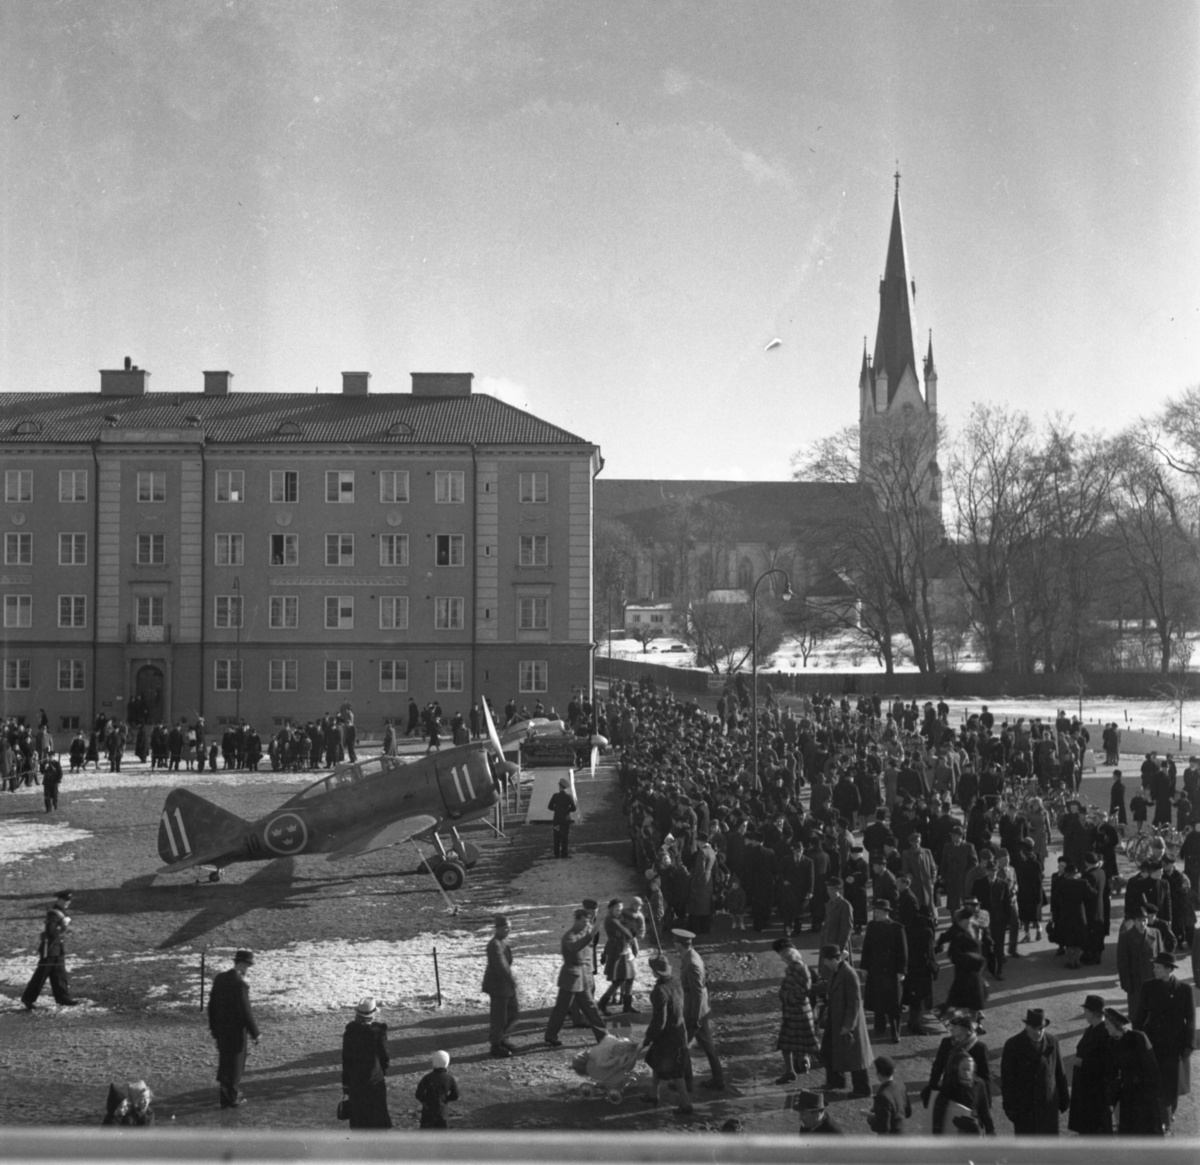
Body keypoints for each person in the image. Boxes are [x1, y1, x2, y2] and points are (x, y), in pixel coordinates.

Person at [1133, 950, 1196, 1132]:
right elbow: (1140, 1015)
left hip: (1174, 1044)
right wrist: (1136, 1037)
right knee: (1155, 1080)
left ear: (1169, 970)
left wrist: (1189, 1044)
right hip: (1152, 1041)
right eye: (1154, 967)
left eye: (1158, 968)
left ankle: (1168, 1114)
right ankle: (1162, 1117)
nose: (1154, 970)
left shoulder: (1184, 990)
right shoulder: (1148, 987)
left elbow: (1191, 1019)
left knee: (1172, 1082)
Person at [999, 1008, 1069, 1135]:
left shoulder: (1052, 1042)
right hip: (1025, 1110)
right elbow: (1007, 1080)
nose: (1038, 1032)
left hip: (1048, 1109)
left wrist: (1064, 1099)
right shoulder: (1012, 1045)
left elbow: (1059, 1073)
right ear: (1026, 1026)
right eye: (1034, 1028)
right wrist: (1009, 1108)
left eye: (1041, 1028)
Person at [544, 909, 606, 1046]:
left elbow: (588, 956)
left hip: (582, 979)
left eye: (588, 922)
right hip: (570, 979)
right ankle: (550, 1035)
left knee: (591, 1009)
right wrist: (591, 934)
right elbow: (575, 947)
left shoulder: (584, 933)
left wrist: (589, 977)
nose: (586, 924)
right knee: (561, 1009)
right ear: (576, 920)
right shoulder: (569, 936)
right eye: (583, 921)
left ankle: (604, 1037)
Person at [640, 954, 693, 1115]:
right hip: (678, 1030)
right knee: (656, 1061)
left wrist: (648, 1038)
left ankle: (686, 1104)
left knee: (676, 1071)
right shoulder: (675, 981)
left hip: (667, 1037)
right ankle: (654, 1094)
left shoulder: (660, 991)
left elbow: (659, 1021)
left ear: (656, 973)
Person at [818, 943, 873, 1096]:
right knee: (830, 1051)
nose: (824, 963)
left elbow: (855, 1003)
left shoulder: (849, 974)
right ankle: (836, 1081)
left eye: (826, 960)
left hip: (848, 1023)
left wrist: (848, 1025)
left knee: (856, 1058)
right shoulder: (837, 970)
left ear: (834, 960)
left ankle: (863, 1089)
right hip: (836, 1019)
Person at [207, 950, 260, 1108]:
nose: (247, 970)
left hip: (222, 1031)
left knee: (225, 1064)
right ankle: (231, 1099)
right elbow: (246, 1011)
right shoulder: (240, 984)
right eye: (247, 966)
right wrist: (255, 1034)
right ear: (242, 964)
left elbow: (211, 1006)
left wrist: (214, 1029)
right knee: (235, 1067)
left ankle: (225, 1095)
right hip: (236, 1033)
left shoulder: (220, 978)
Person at [674, 928, 725, 1090]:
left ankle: (684, 1081)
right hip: (698, 1007)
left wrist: (694, 1017)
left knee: (681, 1045)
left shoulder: (691, 963)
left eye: (675, 942)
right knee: (706, 1044)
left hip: (694, 1009)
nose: (674, 944)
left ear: (679, 944)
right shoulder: (690, 956)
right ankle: (718, 1079)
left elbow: (696, 992)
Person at [1104, 1007, 1163, 1135]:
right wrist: (1111, 1099)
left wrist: (1150, 1094)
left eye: (1108, 1024)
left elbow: (1152, 1068)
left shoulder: (1138, 1037)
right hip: (1127, 1094)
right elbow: (1112, 1072)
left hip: (1144, 1095)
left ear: (1116, 1025)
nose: (1106, 1027)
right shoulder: (1112, 1043)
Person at [771, 938, 819, 1082]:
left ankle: (832, 1068)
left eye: (784, 957)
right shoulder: (794, 968)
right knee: (787, 1044)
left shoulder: (799, 968)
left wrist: (785, 995)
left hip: (799, 1012)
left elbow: (803, 991)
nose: (782, 960)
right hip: (794, 1012)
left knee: (811, 1045)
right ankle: (790, 1071)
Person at [340, 996, 392, 1129]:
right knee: (377, 1115)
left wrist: (346, 1083)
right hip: (375, 1079)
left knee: (359, 1118)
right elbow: (384, 1056)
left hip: (356, 1081)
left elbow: (346, 1060)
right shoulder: (378, 1033)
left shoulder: (350, 1033)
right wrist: (384, 1071)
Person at [921, 1013, 991, 1108]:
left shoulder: (980, 1048)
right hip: (948, 1092)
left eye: (954, 1026)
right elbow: (938, 1066)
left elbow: (984, 1076)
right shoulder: (946, 1043)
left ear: (965, 1030)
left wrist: (986, 1101)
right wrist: (932, 1086)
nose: (950, 1028)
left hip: (969, 1095)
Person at [21, 890, 77, 1009]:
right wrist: (63, 926)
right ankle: (28, 999)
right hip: (50, 949)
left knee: (60, 975)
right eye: (65, 900)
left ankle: (63, 998)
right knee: (41, 975)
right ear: (59, 900)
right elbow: (51, 932)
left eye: (69, 901)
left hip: (57, 948)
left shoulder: (61, 912)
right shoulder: (54, 913)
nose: (67, 903)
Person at [1067, 994, 1113, 1135]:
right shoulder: (1092, 1028)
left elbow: (1107, 1064)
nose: (1084, 1014)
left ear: (1092, 1013)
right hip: (1087, 1090)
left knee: (1095, 1130)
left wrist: (1082, 1062)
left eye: (1086, 1011)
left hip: (1096, 1092)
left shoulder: (1106, 1032)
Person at [930, 1050, 994, 1135]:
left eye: (969, 1069)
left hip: (972, 1128)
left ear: (973, 1069)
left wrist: (990, 1130)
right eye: (964, 1069)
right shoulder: (951, 1083)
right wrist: (937, 1132)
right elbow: (939, 1109)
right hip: (954, 1127)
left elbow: (984, 1109)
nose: (966, 1072)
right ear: (957, 1068)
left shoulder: (979, 1084)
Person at [1117, 906, 1164, 1019]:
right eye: (1139, 920)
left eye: (1144, 920)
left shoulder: (1155, 933)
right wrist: (1126, 983)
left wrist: (1163, 979)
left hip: (1153, 981)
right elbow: (1122, 963)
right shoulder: (1126, 937)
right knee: (1137, 1016)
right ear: (1133, 921)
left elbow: (1161, 958)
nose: (1142, 923)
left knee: (1153, 1016)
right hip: (1135, 984)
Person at [482, 914, 519, 1057]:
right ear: (497, 928)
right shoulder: (494, 944)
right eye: (504, 928)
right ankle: (495, 1045)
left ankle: (501, 1038)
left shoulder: (504, 941)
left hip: (507, 985)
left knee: (513, 1014)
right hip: (498, 986)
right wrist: (512, 980)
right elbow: (501, 966)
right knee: (499, 1017)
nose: (508, 930)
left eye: (509, 927)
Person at [597, 898, 637, 1015]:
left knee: (630, 977)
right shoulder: (610, 920)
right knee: (620, 980)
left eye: (620, 910)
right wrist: (632, 934)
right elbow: (623, 931)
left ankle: (627, 1006)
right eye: (616, 909)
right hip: (618, 952)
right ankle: (602, 1003)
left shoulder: (617, 918)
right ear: (611, 909)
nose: (619, 912)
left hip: (624, 950)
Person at [867, 1055, 911, 1134]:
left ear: (878, 1073)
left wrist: (871, 1120)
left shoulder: (883, 1095)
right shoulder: (900, 1085)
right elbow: (908, 1113)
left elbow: (883, 1127)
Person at [415, 1050, 459, 1128]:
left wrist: (425, 1101)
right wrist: (446, 1099)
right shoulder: (449, 1078)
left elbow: (419, 1094)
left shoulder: (427, 1078)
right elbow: (455, 1095)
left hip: (428, 1112)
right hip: (442, 1111)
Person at [547, 777, 577, 859]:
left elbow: (549, 806)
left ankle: (556, 853)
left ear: (560, 787)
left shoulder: (555, 796)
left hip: (557, 819)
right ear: (565, 788)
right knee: (565, 836)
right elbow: (574, 808)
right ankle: (564, 853)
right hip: (565, 819)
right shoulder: (569, 797)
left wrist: (556, 809)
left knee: (556, 836)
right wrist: (567, 810)